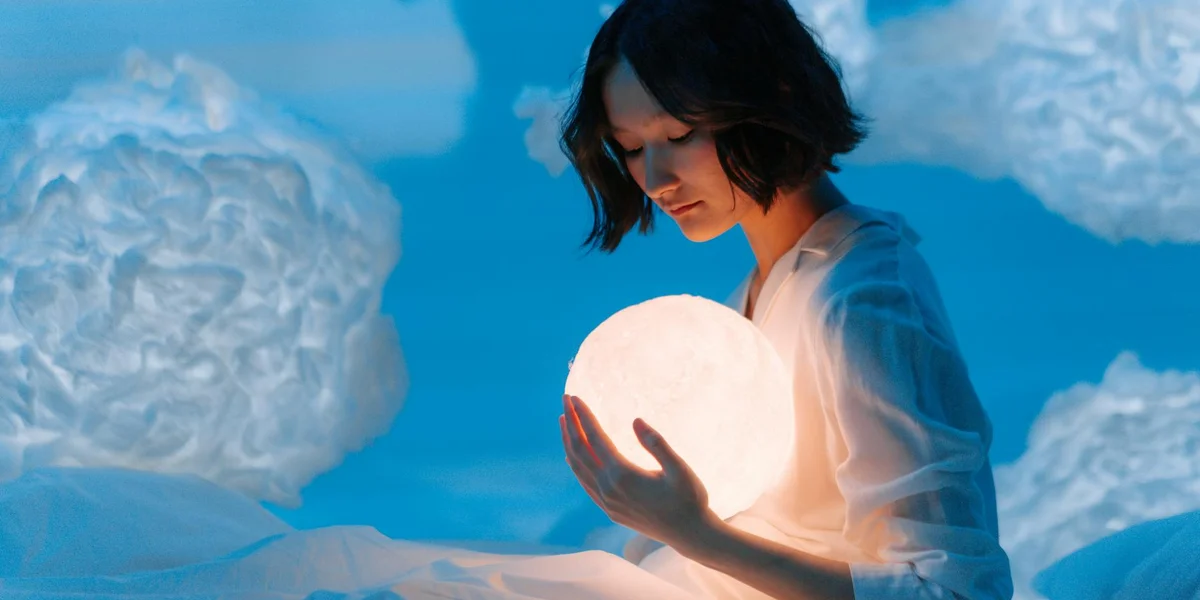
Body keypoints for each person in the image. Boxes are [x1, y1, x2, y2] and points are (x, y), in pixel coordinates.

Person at [556, 1, 1015, 598]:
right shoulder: (753, 298)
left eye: (679, 134)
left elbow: (956, 590)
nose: (656, 179)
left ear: (768, 97)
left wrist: (698, 535)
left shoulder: (860, 301)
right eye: (633, 148)